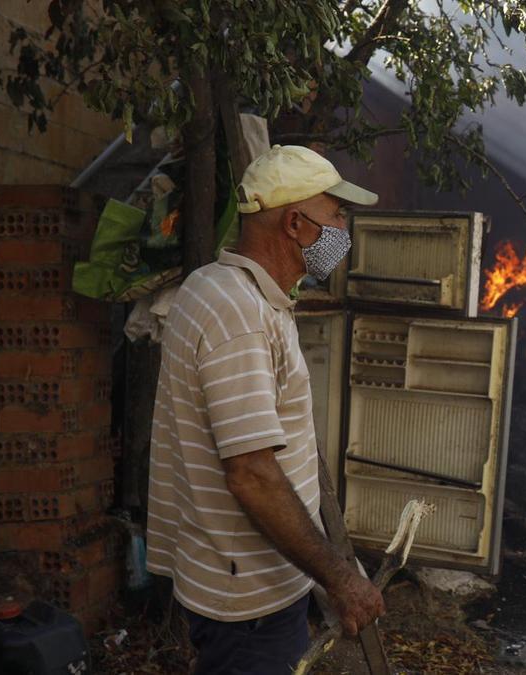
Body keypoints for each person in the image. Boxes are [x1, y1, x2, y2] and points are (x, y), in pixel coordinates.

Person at [145, 145, 384, 674]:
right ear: (296, 223)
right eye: (335, 214)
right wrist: (340, 578)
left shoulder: (223, 289)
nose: (343, 228)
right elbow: (251, 474)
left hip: (239, 580)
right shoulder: (239, 316)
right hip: (249, 602)